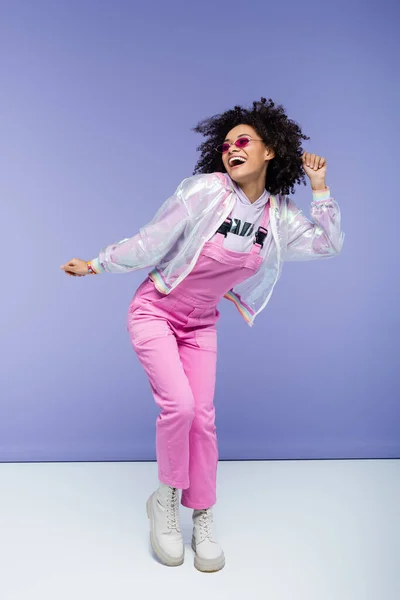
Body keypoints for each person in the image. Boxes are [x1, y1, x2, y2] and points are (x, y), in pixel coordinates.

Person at [60, 97, 345, 573]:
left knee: (204, 419)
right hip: (156, 310)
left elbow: (328, 244)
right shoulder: (205, 191)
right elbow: (152, 240)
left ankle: (203, 512)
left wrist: (320, 190)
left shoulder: (277, 217)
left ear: (271, 150)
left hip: (201, 323)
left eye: (244, 141)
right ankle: (165, 500)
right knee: (181, 406)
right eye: (227, 143)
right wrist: (97, 264)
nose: (232, 149)